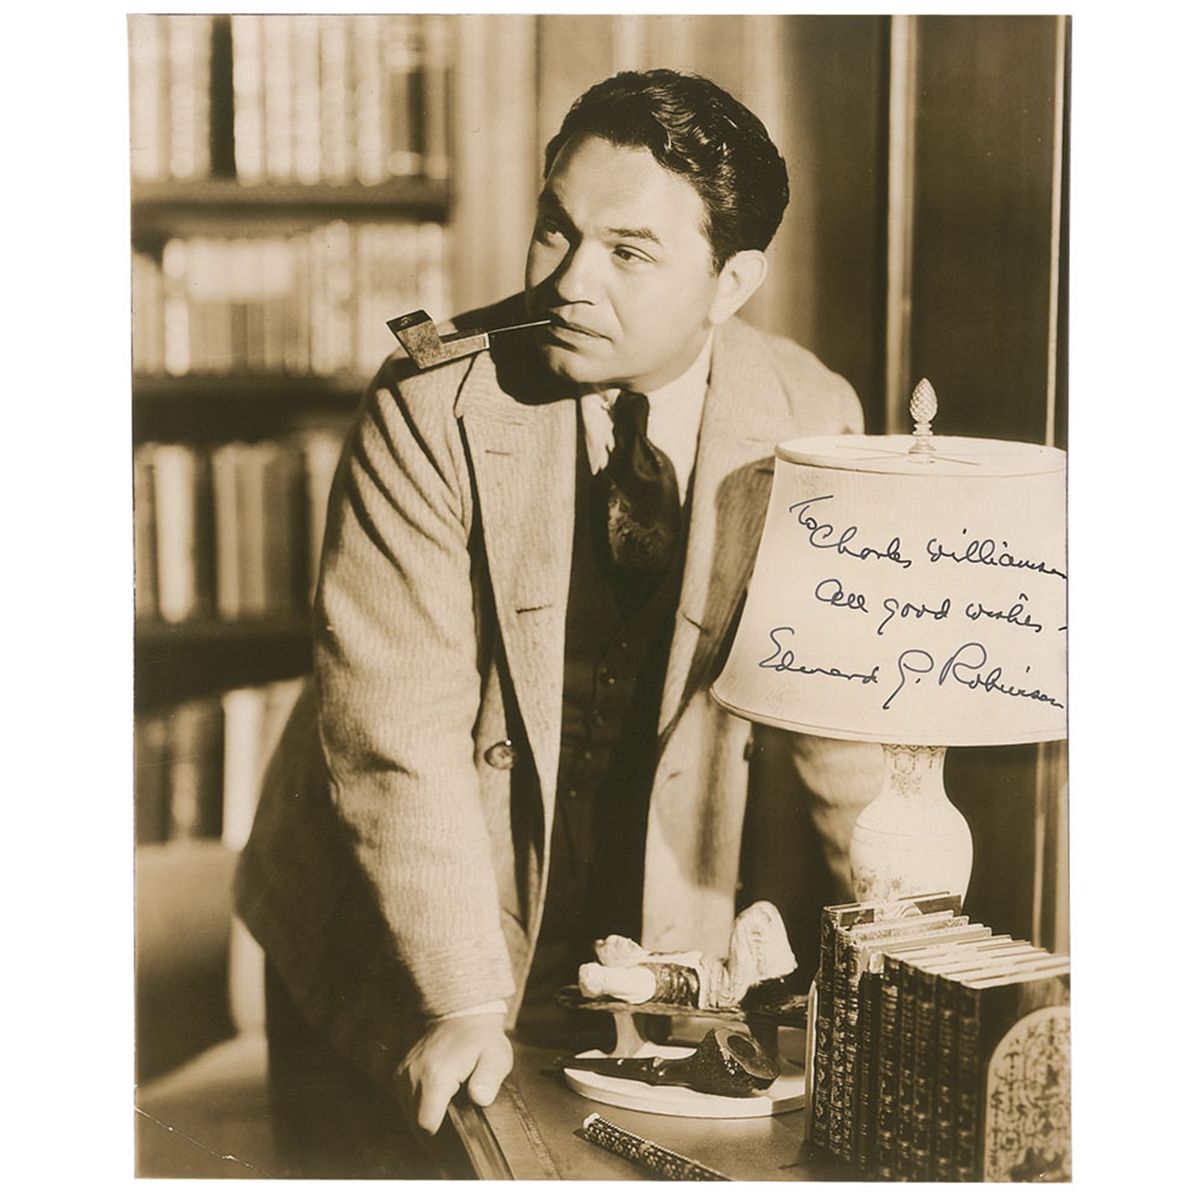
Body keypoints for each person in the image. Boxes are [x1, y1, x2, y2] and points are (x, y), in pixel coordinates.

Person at [235, 68, 882, 1178]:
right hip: (393, 941)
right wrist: (461, 997)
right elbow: (397, 734)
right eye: (556, 229)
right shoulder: (427, 403)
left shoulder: (811, 418)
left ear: (731, 282)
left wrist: (910, 948)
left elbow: (846, 732)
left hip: (630, 942)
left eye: (630, 252)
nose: (570, 282)